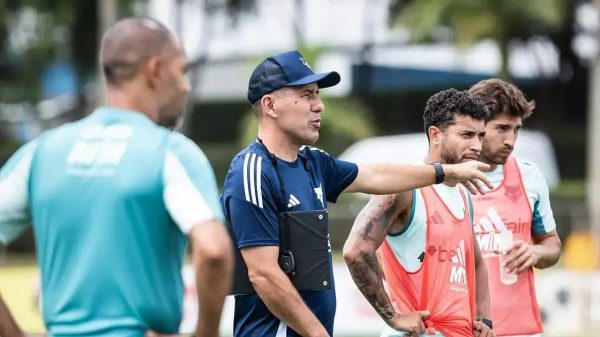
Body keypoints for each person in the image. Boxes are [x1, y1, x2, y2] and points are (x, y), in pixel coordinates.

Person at [221, 51, 494, 337]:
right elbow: (263, 274)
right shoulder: (252, 170)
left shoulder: (313, 162)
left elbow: (375, 175)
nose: (319, 106)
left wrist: (445, 173)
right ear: (270, 105)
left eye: (318, 94)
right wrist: (318, 334)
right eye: (307, 95)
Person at [0, 17, 232, 337]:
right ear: (156, 71)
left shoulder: (43, 151)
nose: (186, 86)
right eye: (182, 71)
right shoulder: (170, 151)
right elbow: (214, 250)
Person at [344, 88, 495, 337]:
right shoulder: (404, 188)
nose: (477, 145)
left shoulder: (463, 194)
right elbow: (355, 250)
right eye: (466, 134)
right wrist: (393, 317)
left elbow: (476, 263)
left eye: (480, 135)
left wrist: (484, 320)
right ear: (435, 135)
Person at [468, 79, 561, 337]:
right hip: (461, 329)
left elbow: (552, 245)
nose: (511, 140)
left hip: (521, 330)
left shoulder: (530, 177)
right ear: (476, 126)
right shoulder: (444, 181)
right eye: (502, 128)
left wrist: (535, 252)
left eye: (516, 129)